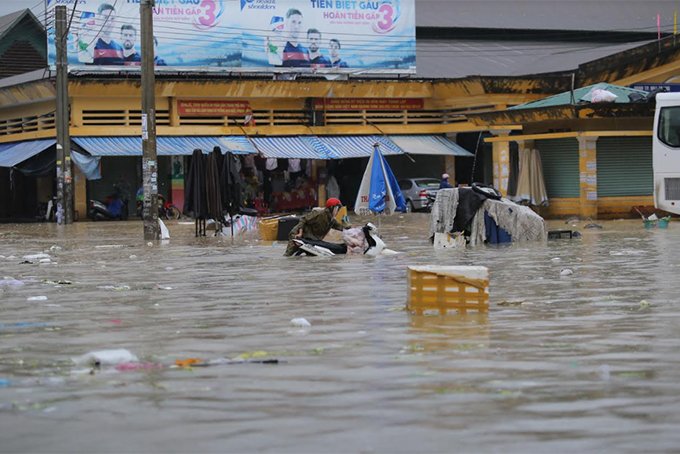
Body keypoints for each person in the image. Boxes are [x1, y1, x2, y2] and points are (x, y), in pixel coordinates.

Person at [284, 198, 350, 256]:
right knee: (288, 256)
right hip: (297, 236)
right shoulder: (318, 213)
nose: (338, 211)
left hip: (311, 240)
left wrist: (347, 226)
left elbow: (341, 228)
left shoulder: (331, 220)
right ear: (332, 207)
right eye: (337, 208)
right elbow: (303, 219)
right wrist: (300, 233)